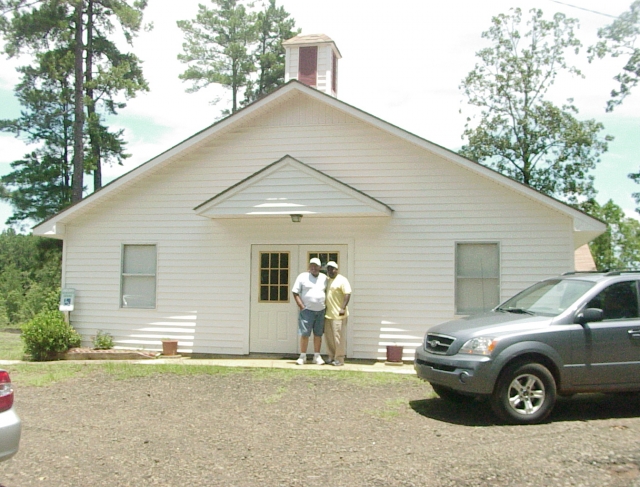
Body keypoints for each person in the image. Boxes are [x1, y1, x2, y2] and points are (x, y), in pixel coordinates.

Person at [292, 257, 327, 365]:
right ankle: (303, 356)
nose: (313, 268)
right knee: (305, 334)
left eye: (316, 266)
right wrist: (301, 306)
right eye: (311, 265)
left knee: (318, 334)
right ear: (309, 267)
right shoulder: (302, 277)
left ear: (320, 267)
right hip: (307, 311)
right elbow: (295, 292)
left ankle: (317, 356)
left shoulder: (324, 278)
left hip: (320, 310)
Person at [324, 261, 351, 366]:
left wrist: (343, 308)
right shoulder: (328, 280)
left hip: (338, 315)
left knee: (338, 338)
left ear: (337, 269)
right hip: (328, 314)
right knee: (329, 338)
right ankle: (331, 356)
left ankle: (339, 359)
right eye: (328, 269)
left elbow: (347, 294)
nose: (330, 271)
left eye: (332, 269)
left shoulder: (342, 280)